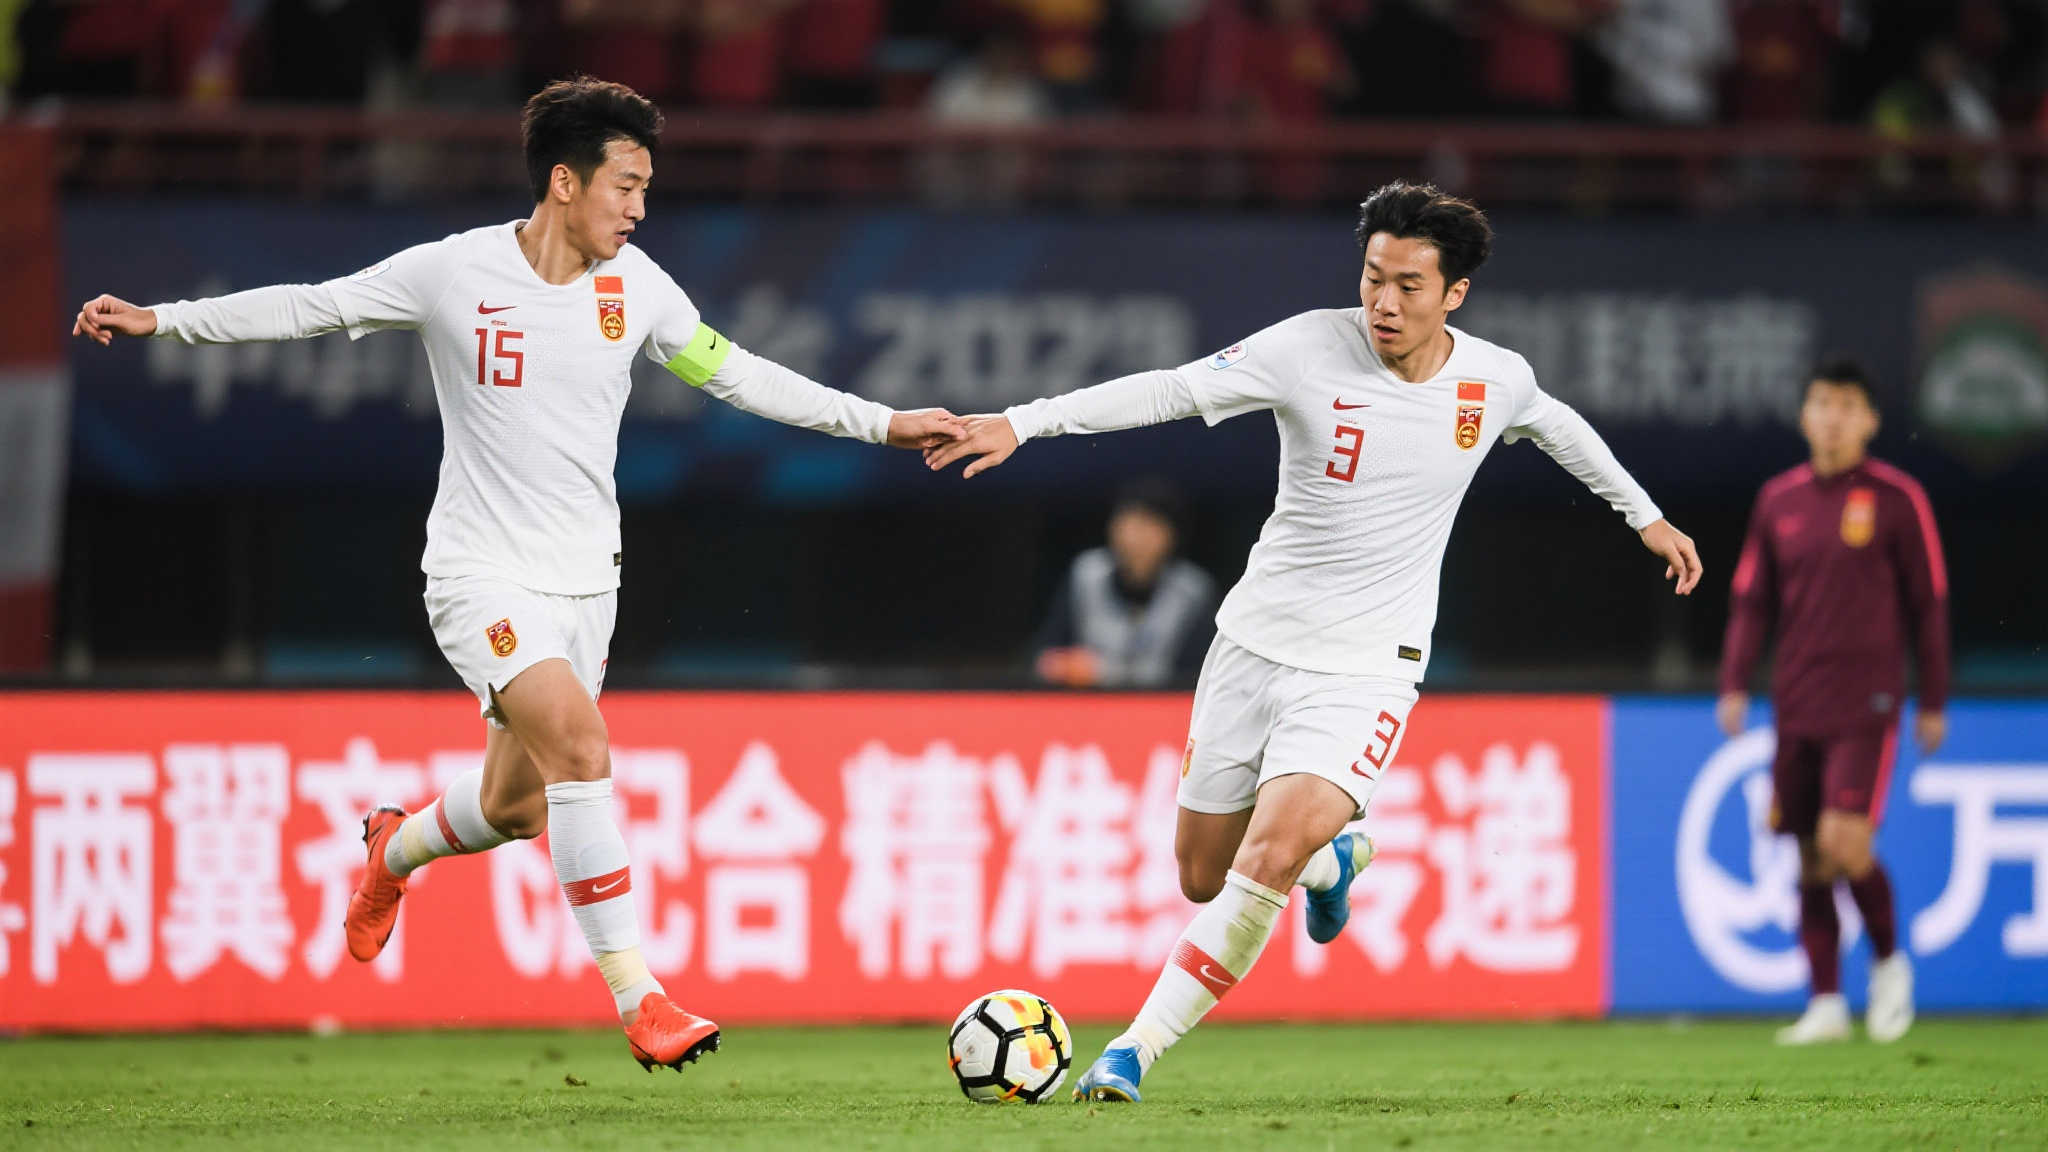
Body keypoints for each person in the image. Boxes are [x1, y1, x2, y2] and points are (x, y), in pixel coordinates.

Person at [71, 76, 963, 1072]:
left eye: (646, 188)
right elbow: (312, 308)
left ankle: (393, 848)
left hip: (588, 587)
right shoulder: (454, 274)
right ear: (564, 183)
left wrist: (884, 424)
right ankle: (641, 998)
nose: (639, 207)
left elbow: (744, 376)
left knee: (516, 808)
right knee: (581, 747)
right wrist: (163, 318)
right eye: (625, 185)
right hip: (480, 575)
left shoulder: (639, 290)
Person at [927, 181, 1701, 1102]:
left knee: (1265, 861)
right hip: (1253, 644)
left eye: (1409, 285)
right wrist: (1026, 420)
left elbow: (1558, 426)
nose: (1384, 301)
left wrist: (1644, 516)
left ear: (1455, 294)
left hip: (1369, 669)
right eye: (1373, 277)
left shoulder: (1495, 380)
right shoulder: (1304, 349)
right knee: (1202, 874)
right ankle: (1334, 860)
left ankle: (1133, 1051)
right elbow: (1173, 389)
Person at [1718, 358, 1948, 1046]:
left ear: (1870, 421)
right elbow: (1751, 601)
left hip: (1867, 701)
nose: (1833, 418)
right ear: (1804, 415)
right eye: (1822, 403)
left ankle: (1890, 964)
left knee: (1843, 843)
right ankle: (1825, 1002)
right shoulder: (1778, 500)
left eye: (1848, 406)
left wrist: (1934, 697)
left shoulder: (1898, 498)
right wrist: (1734, 681)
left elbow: (1930, 603)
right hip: (1797, 700)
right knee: (1809, 856)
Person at [1035, 478, 1216, 690]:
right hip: (1087, 701)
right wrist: (1060, 665)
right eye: (1127, 524)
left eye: (1148, 526)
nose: (1134, 538)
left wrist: (1103, 672)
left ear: (1171, 535)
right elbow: (1044, 656)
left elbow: (1196, 677)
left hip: (1161, 705)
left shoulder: (1193, 592)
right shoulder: (1086, 574)